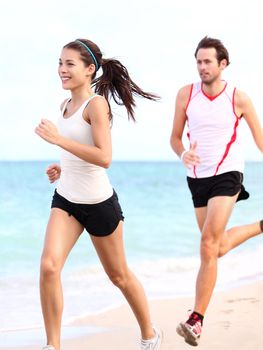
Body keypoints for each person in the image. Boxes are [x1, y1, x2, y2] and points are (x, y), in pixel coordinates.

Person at [35, 38, 162, 350]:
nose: (61, 70)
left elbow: (104, 157)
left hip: (98, 203)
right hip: (66, 199)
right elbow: (79, 154)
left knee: (118, 276)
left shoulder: (97, 105)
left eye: (69, 64)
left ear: (89, 69)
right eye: (60, 63)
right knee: (49, 266)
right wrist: (62, 167)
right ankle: (53, 345)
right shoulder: (64, 105)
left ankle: (150, 334)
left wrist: (58, 142)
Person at [170, 36, 263, 346]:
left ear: (223, 64)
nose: (202, 67)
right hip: (196, 176)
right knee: (216, 247)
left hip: (228, 173)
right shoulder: (186, 95)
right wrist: (184, 154)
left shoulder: (239, 98)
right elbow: (174, 139)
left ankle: (196, 320)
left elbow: (261, 142)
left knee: (208, 244)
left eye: (208, 61)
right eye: (198, 61)